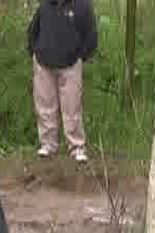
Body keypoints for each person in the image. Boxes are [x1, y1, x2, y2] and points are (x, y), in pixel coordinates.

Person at [27, 0, 97, 163]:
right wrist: (34, 52)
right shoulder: (45, 5)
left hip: (71, 65)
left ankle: (77, 147)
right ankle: (48, 144)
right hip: (43, 63)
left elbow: (91, 35)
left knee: (72, 106)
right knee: (44, 106)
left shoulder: (82, 6)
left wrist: (80, 57)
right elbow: (33, 30)